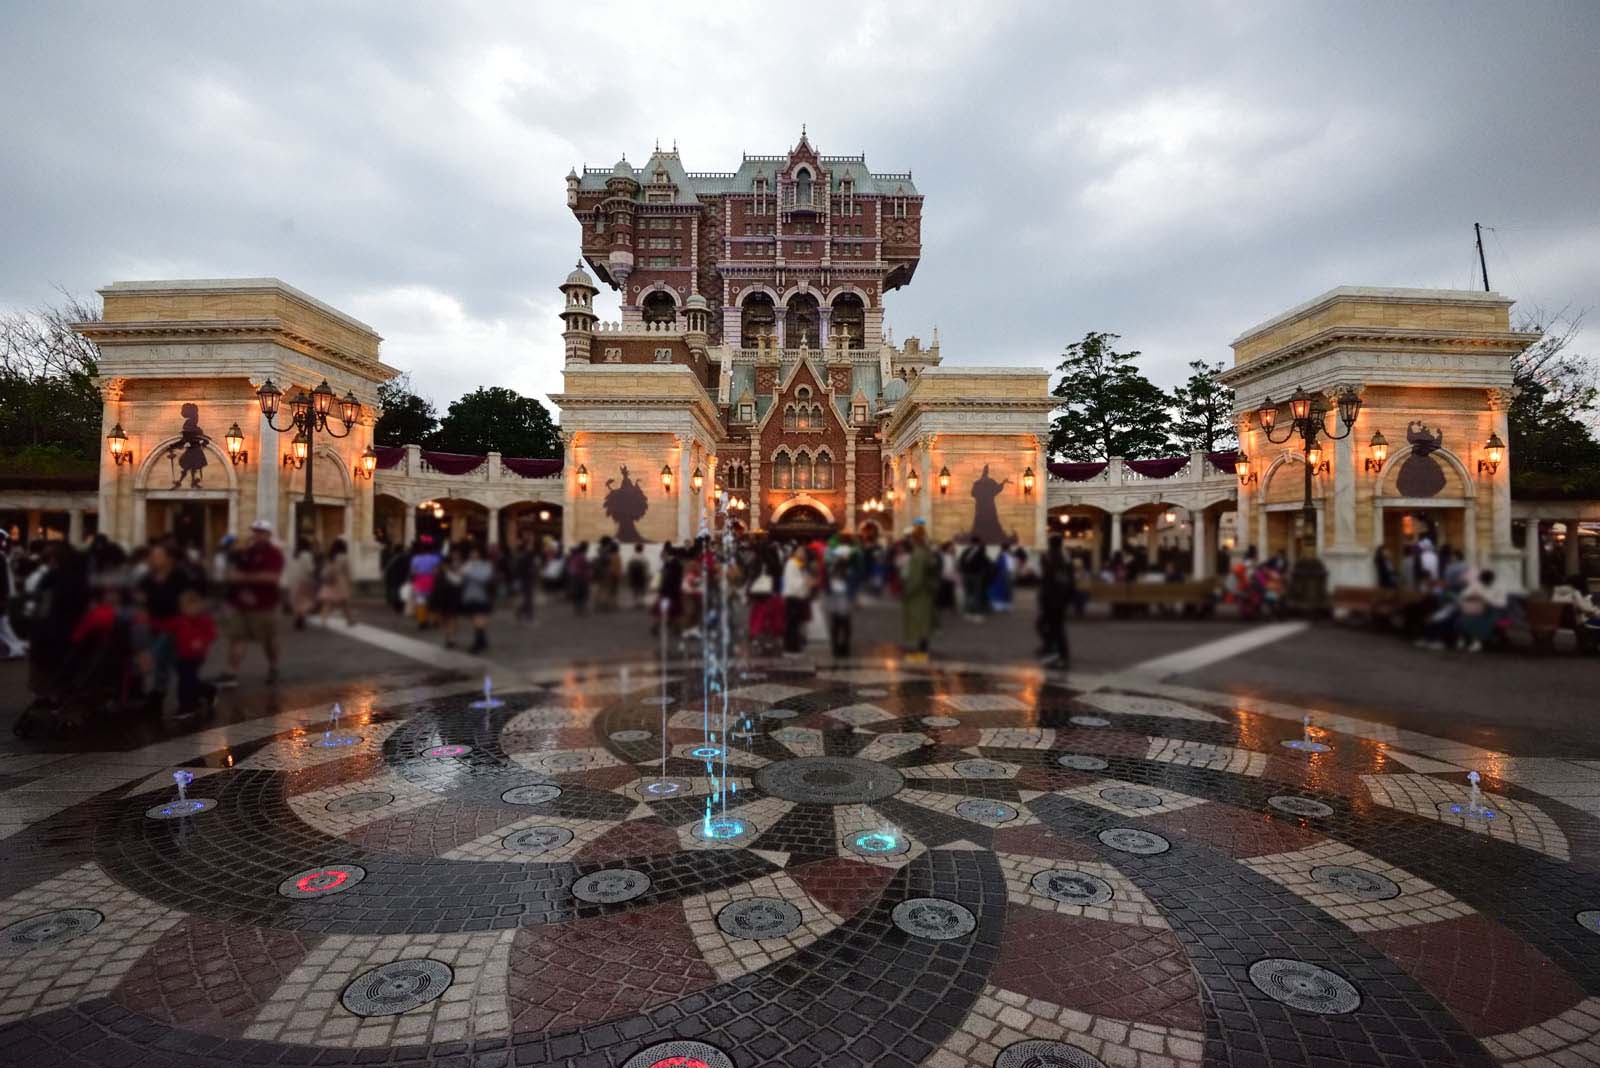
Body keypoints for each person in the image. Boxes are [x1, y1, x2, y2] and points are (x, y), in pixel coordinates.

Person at [219, 519, 284, 687]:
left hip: (264, 605)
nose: (256, 535)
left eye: (261, 532)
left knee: (269, 641)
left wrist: (243, 578)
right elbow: (235, 572)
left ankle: (274, 668)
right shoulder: (246, 552)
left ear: (268, 535)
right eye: (255, 531)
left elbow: (272, 577)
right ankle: (230, 673)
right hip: (242, 604)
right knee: (237, 638)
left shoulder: (274, 554)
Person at [137, 541, 190, 714]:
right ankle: (160, 694)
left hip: (174, 626)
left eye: (158, 556)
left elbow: (188, 603)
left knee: (156, 658)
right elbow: (140, 597)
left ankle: (160, 694)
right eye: (152, 556)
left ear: (169, 559)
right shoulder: (148, 578)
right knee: (167, 663)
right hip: (154, 624)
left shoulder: (180, 577)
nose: (153, 559)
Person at [170, 588, 218, 722]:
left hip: (195, 656)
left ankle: (186, 707)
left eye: (193, 606)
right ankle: (207, 691)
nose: (189, 610)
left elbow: (211, 634)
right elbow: (169, 629)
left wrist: (201, 642)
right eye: (185, 607)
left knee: (186, 680)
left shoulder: (204, 620)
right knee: (188, 679)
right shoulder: (179, 620)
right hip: (180, 655)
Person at [900, 522, 938, 662]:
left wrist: (907, 592)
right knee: (925, 623)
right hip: (926, 592)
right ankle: (922, 652)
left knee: (920, 624)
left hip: (919, 594)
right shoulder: (926, 551)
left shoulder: (918, 554)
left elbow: (916, 577)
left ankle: (921, 654)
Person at [1037, 534, 1074, 667]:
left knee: (1054, 628)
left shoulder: (1052, 558)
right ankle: (1053, 650)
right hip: (1059, 599)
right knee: (1052, 627)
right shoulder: (1065, 558)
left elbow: (1048, 580)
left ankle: (1058, 654)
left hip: (1052, 599)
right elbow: (1070, 581)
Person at [459, 542, 496, 653]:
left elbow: (484, 578)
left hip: (481, 596)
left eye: (475, 553)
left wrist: (468, 573)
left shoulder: (486, 565)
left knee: (478, 619)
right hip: (469, 596)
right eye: (471, 553)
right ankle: (482, 641)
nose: (473, 555)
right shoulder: (468, 564)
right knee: (476, 620)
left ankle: (478, 643)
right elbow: (462, 580)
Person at [825, 544, 855, 659]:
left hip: (837, 598)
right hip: (842, 598)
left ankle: (837, 647)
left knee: (837, 624)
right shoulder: (847, 568)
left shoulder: (833, 567)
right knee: (844, 625)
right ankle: (843, 647)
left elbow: (829, 582)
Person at [781, 543, 811, 656]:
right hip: (792, 597)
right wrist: (805, 581)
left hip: (798, 598)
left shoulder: (799, 564)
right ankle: (790, 648)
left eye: (803, 552)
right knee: (791, 624)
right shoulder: (791, 564)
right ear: (795, 552)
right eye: (800, 551)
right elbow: (791, 582)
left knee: (796, 623)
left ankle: (794, 647)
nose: (802, 554)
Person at [0, 531, 25, 659]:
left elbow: (3, 580)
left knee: (4, 626)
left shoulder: (1, 558)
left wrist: (3, 597)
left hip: (1, 597)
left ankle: (17, 648)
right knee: (4, 626)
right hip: (3, 596)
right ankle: (17, 647)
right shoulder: (3, 557)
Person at [319, 538, 355, 625]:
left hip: (330, 581)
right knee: (344, 602)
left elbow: (326, 569)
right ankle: (349, 620)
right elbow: (348, 571)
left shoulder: (331, 556)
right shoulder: (344, 557)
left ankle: (323, 620)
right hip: (340, 581)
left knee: (327, 602)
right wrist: (350, 582)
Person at [408, 537, 442, 628]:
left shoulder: (416, 559)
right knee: (432, 602)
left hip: (419, 580)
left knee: (420, 601)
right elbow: (437, 571)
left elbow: (413, 572)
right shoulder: (435, 559)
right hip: (432, 580)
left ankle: (422, 621)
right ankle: (435, 620)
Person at [285, 538, 318, 629]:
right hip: (304, 580)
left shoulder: (291, 554)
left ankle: (297, 618)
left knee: (296, 601)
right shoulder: (307, 555)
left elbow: (287, 567)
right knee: (305, 601)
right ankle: (301, 617)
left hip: (293, 581)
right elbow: (310, 569)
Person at [959, 537, 990, 620]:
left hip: (969, 575)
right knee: (974, 594)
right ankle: (975, 613)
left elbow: (961, 562)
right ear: (978, 543)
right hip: (975, 576)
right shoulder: (980, 552)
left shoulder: (967, 551)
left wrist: (962, 571)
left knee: (970, 594)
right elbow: (986, 563)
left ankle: (970, 612)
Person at [626, 543, 651, 609]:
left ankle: (635, 602)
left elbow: (629, 567)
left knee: (635, 589)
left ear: (635, 549)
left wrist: (629, 575)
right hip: (641, 576)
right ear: (642, 549)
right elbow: (646, 567)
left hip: (634, 576)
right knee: (642, 589)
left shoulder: (632, 557)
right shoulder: (643, 557)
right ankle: (641, 602)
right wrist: (646, 575)